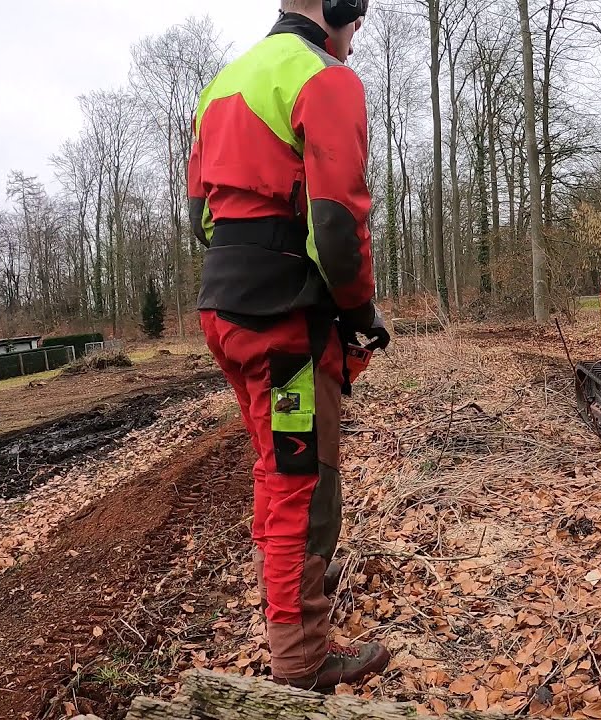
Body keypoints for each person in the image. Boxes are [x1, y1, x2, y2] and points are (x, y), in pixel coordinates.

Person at [187, 0, 391, 691]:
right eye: (356, 23)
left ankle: (290, 615)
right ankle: (301, 664)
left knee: (277, 469)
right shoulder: (323, 78)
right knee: (303, 483)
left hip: (227, 314)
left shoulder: (223, 85)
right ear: (338, 9)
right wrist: (358, 306)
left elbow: (201, 221)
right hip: (285, 329)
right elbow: (334, 226)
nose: (354, 40)